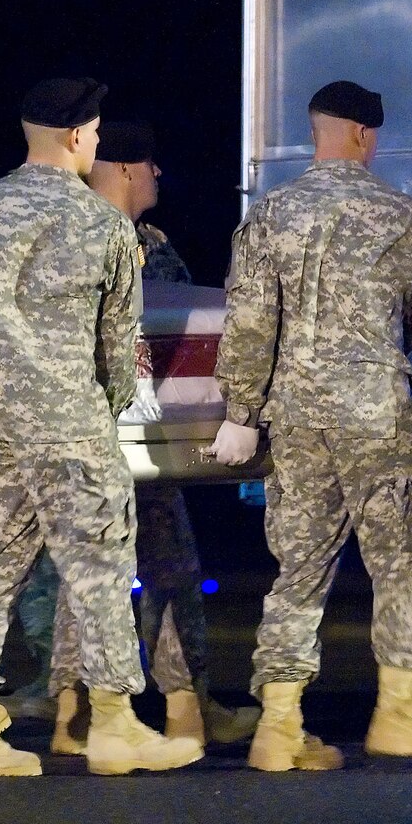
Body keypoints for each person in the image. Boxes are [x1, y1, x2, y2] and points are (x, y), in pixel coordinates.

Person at [0, 78, 202, 777]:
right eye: (93, 134)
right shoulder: (104, 224)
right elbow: (117, 345)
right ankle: (116, 726)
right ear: (75, 136)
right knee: (100, 571)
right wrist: (108, 404)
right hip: (70, 425)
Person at [208, 79, 412, 768]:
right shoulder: (402, 214)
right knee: (407, 558)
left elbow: (248, 322)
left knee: (298, 567)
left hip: (295, 418)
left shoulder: (270, 214)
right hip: (373, 412)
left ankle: (279, 726)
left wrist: (241, 410)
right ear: (363, 134)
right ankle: (398, 715)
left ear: (315, 131)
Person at [42, 120, 260, 754]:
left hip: (142, 434)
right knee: (153, 568)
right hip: (100, 431)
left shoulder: (144, 243)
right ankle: (170, 710)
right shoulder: (82, 237)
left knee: (101, 571)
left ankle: (86, 714)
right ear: (124, 170)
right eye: (148, 163)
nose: (157, 173)